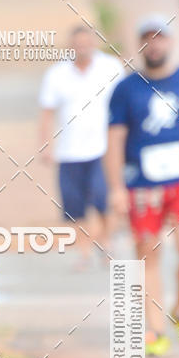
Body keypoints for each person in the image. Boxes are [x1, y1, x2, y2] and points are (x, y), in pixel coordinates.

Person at [106, 14, 179, 356]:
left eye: (159, 37)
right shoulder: (126, 89)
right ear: (140, 44)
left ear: (170, 42)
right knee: (147, 255)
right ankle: (155, 329)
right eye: (147, 38)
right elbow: (113, 140)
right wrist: (115, 188)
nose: (153, 44)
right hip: (142, 185)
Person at [38, 25, 124, 266]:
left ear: (95, 44)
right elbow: (46, 112)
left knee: (103, 198)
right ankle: (84, 250)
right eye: (77, 44)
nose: (82, 48)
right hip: (69, 151)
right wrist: (46, 144)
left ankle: (106, 242)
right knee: (74, 206)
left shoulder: (111, 68)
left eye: (86, 43)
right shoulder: (57, 74)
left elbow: (125, 105)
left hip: (103, 148)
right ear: (70, 46)